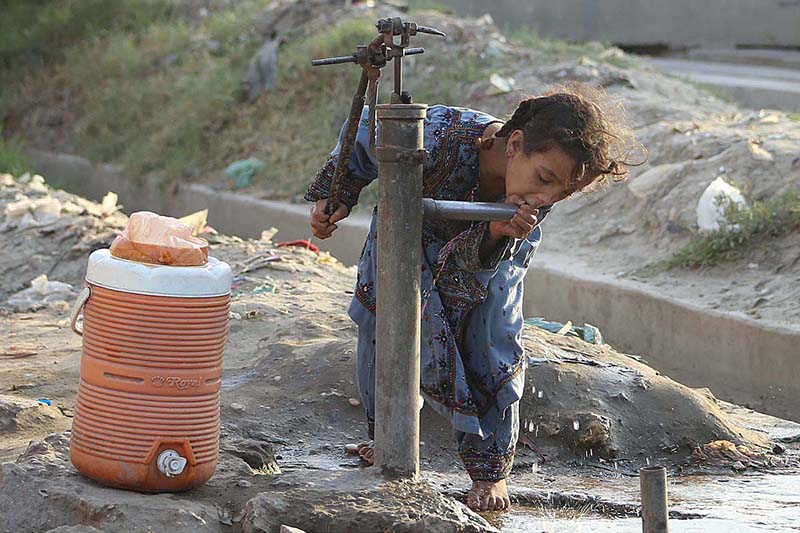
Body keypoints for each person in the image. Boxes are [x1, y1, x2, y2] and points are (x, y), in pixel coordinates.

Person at [305, 83, 639, 512]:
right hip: (405, 236)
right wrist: (336, 196)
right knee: (384, 326)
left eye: (562, 194)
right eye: (545, 181)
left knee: (492, 335)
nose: (546, 200)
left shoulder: (533, 199)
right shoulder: (438, 135)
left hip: (494, 249)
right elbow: (367, 137)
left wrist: (496, 233)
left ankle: (490, 469)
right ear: (514, 144)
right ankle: (387, 435)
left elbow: (485, 265)